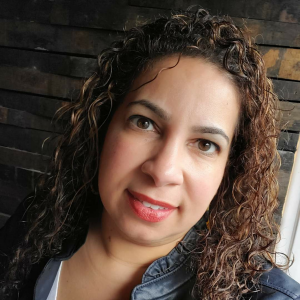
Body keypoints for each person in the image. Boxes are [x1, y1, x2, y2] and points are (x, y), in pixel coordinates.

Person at [1, 8, 300, 300]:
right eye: (144, 123)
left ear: (230, 169)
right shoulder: (37, 221)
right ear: (104, 123)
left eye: (205, 144)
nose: (163, 170)